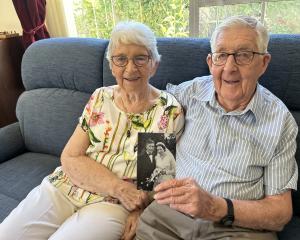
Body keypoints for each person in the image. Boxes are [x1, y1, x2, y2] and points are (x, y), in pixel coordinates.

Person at [0, 21, 184, 240]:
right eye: (121, 59)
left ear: (154, 64)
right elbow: (70, 156)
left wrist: (140, 210)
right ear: (112, 65)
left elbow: (153, 180)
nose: (130, 68)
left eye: (140, 58)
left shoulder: (165, 110)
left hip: (112, 205)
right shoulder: (100, 97)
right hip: (65, 187)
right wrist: (117, 186)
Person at [136, 15, 298, 240]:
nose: (230, 67)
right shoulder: (185, 94)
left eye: (243, 55)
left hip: (237, 228)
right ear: (211, 63)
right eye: (221, 55)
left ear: (263, 63)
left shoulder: (280, 122)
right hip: (168, 218)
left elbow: (280, 212)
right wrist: (138, 205)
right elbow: (152, 136)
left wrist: (215, 207)